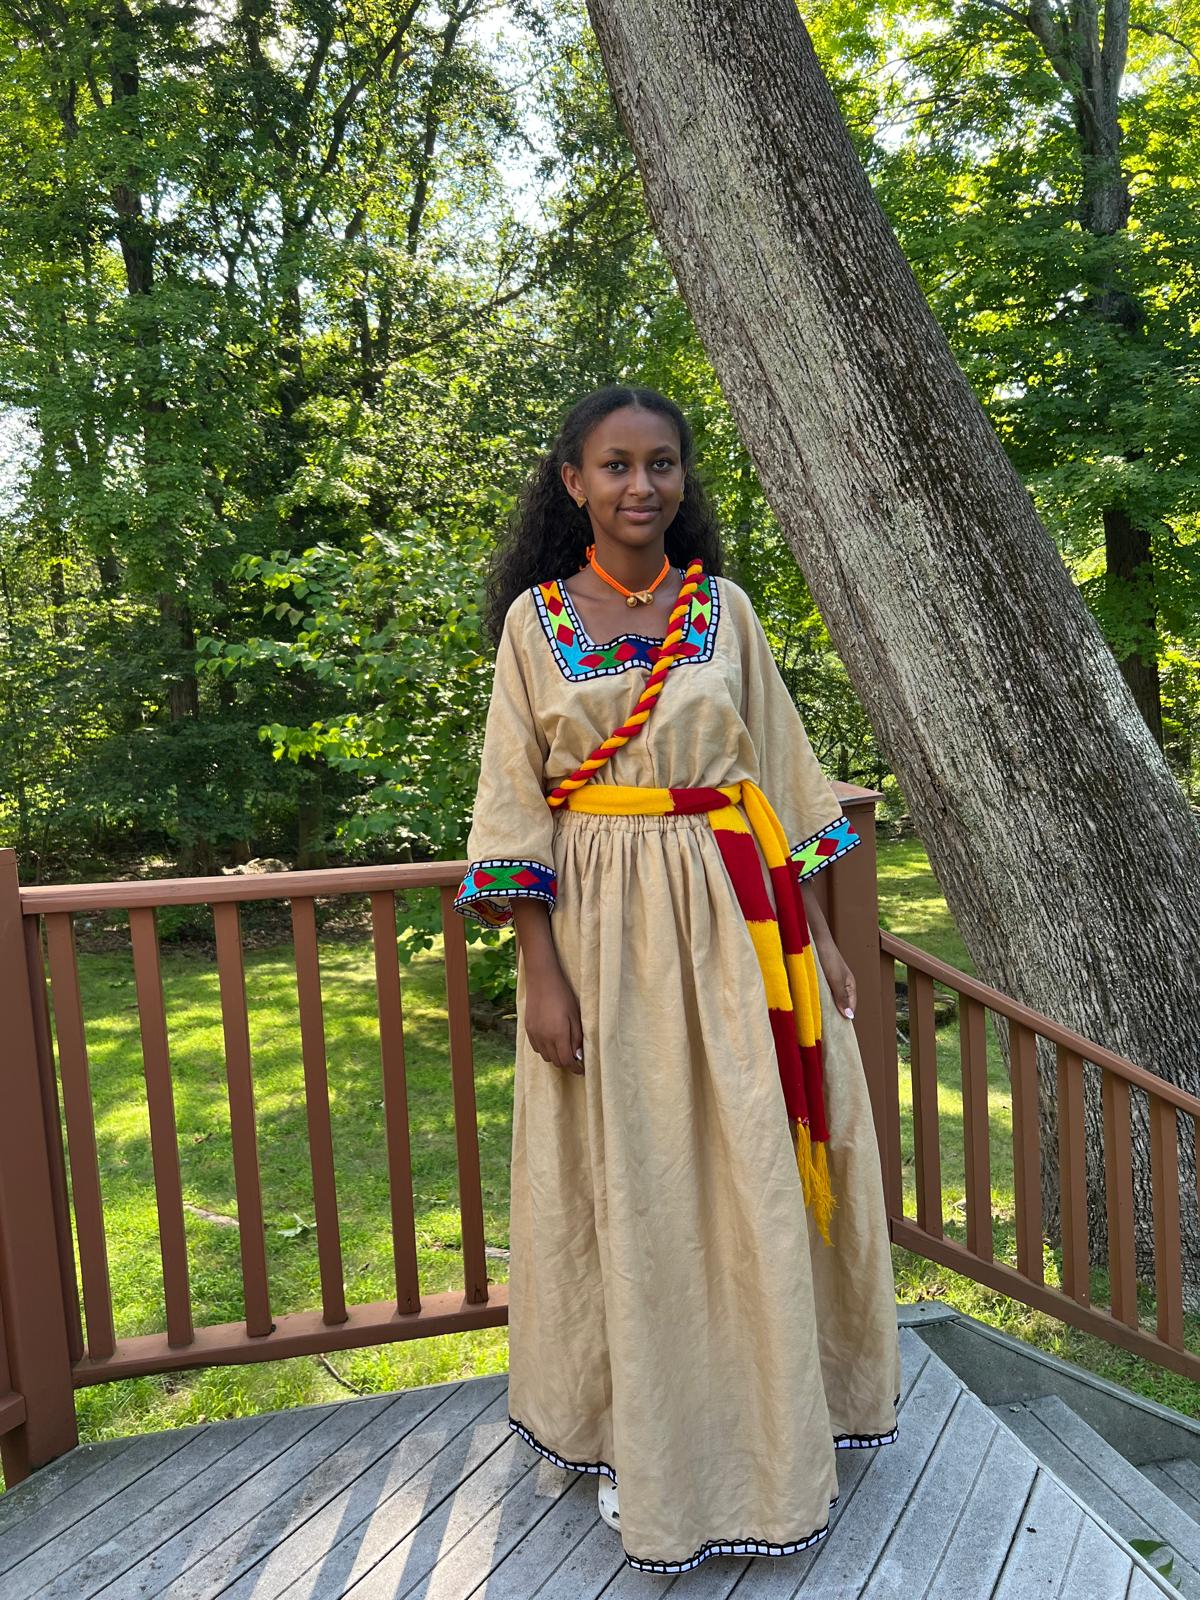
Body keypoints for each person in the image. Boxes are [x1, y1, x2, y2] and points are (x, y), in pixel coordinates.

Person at [453, 383, 901, 1574]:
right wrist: (540, 971)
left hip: (740, 921)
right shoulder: (534, 626)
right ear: (573, 482)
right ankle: (644, 1440)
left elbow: (781, 775)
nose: (640, 487)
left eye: (661, 465)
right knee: (638, 1183)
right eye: (615, 466)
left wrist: (820, 930)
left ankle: (771, 1426)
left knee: (752, 1166)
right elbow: (511, 807)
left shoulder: (726, 612)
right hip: (605, 937)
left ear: (682, 479)